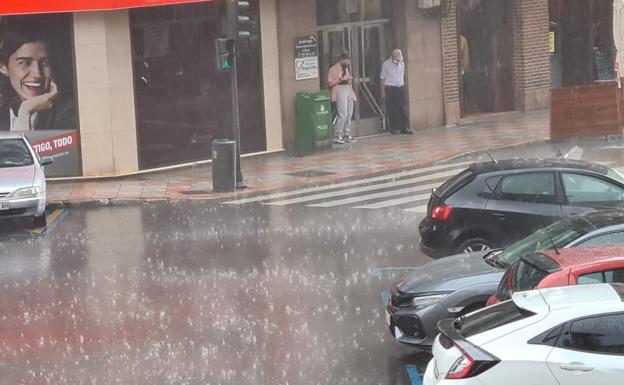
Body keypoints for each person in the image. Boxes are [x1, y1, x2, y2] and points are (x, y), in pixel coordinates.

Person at [0, 25, 75, 132]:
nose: (38, 74)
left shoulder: (68, 113)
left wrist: (26, 112)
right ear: (3, 68)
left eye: (45, 62)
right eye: (25, 62)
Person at [380, 49, 412, 135]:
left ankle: (404, 127)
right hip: (390, 88)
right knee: (392, 109)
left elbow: (402, 76)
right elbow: (382, 78)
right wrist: (383, 91)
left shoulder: (402, 64)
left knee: (402, 108)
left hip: (400, 88)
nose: (398, 61)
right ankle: (393, 127)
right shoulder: (386, 64)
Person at [328, 52, 356, 144]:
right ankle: (337, 133)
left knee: (349, 112)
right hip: (339, 88)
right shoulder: (333, 69)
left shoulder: (346, 68)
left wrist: (348, 79)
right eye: (346, 60)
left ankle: (346, 133)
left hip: (348, 88)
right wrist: (340, 79)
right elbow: (330, 83)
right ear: (341, 60)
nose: (347, 62)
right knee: (342, 112)